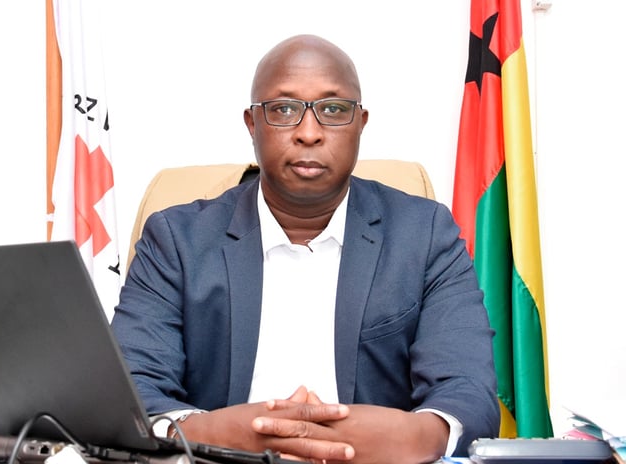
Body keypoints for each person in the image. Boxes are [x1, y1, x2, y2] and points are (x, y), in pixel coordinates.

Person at [111, 34, 499, 462]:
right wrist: (221, 436)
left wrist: (408, 437)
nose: (309, 133)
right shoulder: (176, 240)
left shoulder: (424, 234)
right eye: (283, 109)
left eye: (333, 110)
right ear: (252, 124)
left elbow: (468, 394)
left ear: (360, 123)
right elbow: (132, 393)